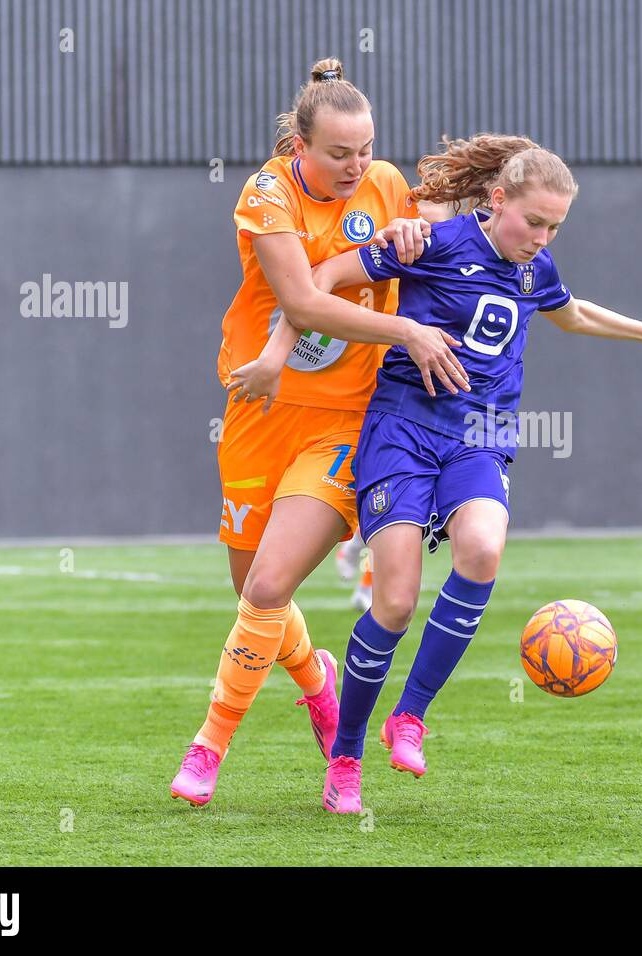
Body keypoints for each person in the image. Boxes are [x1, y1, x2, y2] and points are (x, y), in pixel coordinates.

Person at [232, 133, 642, 814]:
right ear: (498, 200)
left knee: (484, 548)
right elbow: (325, 279)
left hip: (481, 436)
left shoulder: (535, 269)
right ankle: (345, 754)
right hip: (402, 428)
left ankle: (411, 718)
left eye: (556, 227)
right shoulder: (429, 242)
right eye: (534, 221)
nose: (542, 238)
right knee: (395, 600)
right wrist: (284, 349)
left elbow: (573, 314)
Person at [169, 58, 467, 807]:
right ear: (298, 146)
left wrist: (418, 224)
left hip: (344, 422)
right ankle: (317, 683)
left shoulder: (387, 182)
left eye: (365, 150)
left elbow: (451, 229)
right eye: (339, 153)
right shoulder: (266, 194)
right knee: (252, 592)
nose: (356, 166)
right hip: (258, 411)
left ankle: (207, 750)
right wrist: (405, 329)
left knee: (269, 584)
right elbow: (302, 300)